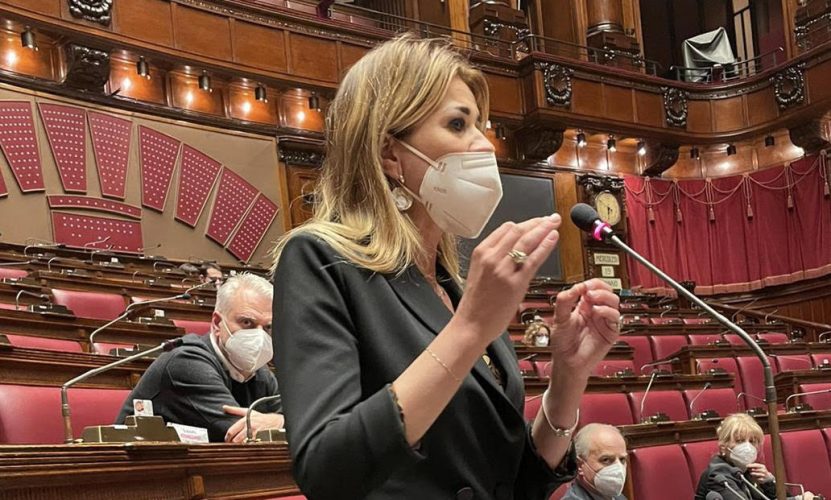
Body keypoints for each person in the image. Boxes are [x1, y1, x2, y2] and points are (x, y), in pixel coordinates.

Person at [270, 34, 621, 499]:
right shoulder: (319, 260)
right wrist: (469, 329)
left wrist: (568, 377)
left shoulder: (454, 285)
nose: (484, 146)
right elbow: (327, 470)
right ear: (389, 153)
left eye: (480, 126)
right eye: (458, 124)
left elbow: (513, 480)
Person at [115, 273, 283, 443]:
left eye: (268, 327)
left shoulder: (260, 373)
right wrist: (281, 422)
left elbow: (295, 428)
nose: (259, 336)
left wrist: (279, 421)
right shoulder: (186, 362)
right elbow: (243, 433)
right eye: (247, 323)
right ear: (217, 323)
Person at [695, 413, 815, 500]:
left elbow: (783, 497)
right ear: (723, 447)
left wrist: (768, 481)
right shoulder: (718, 475)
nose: (747, 446)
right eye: (740, 441)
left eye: (752, 441)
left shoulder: (747, 471)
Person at [562, 424, 628, 500]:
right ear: (579, 465)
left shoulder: (617, 497)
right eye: (606, 460)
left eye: (622, 460)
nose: (618, 469)